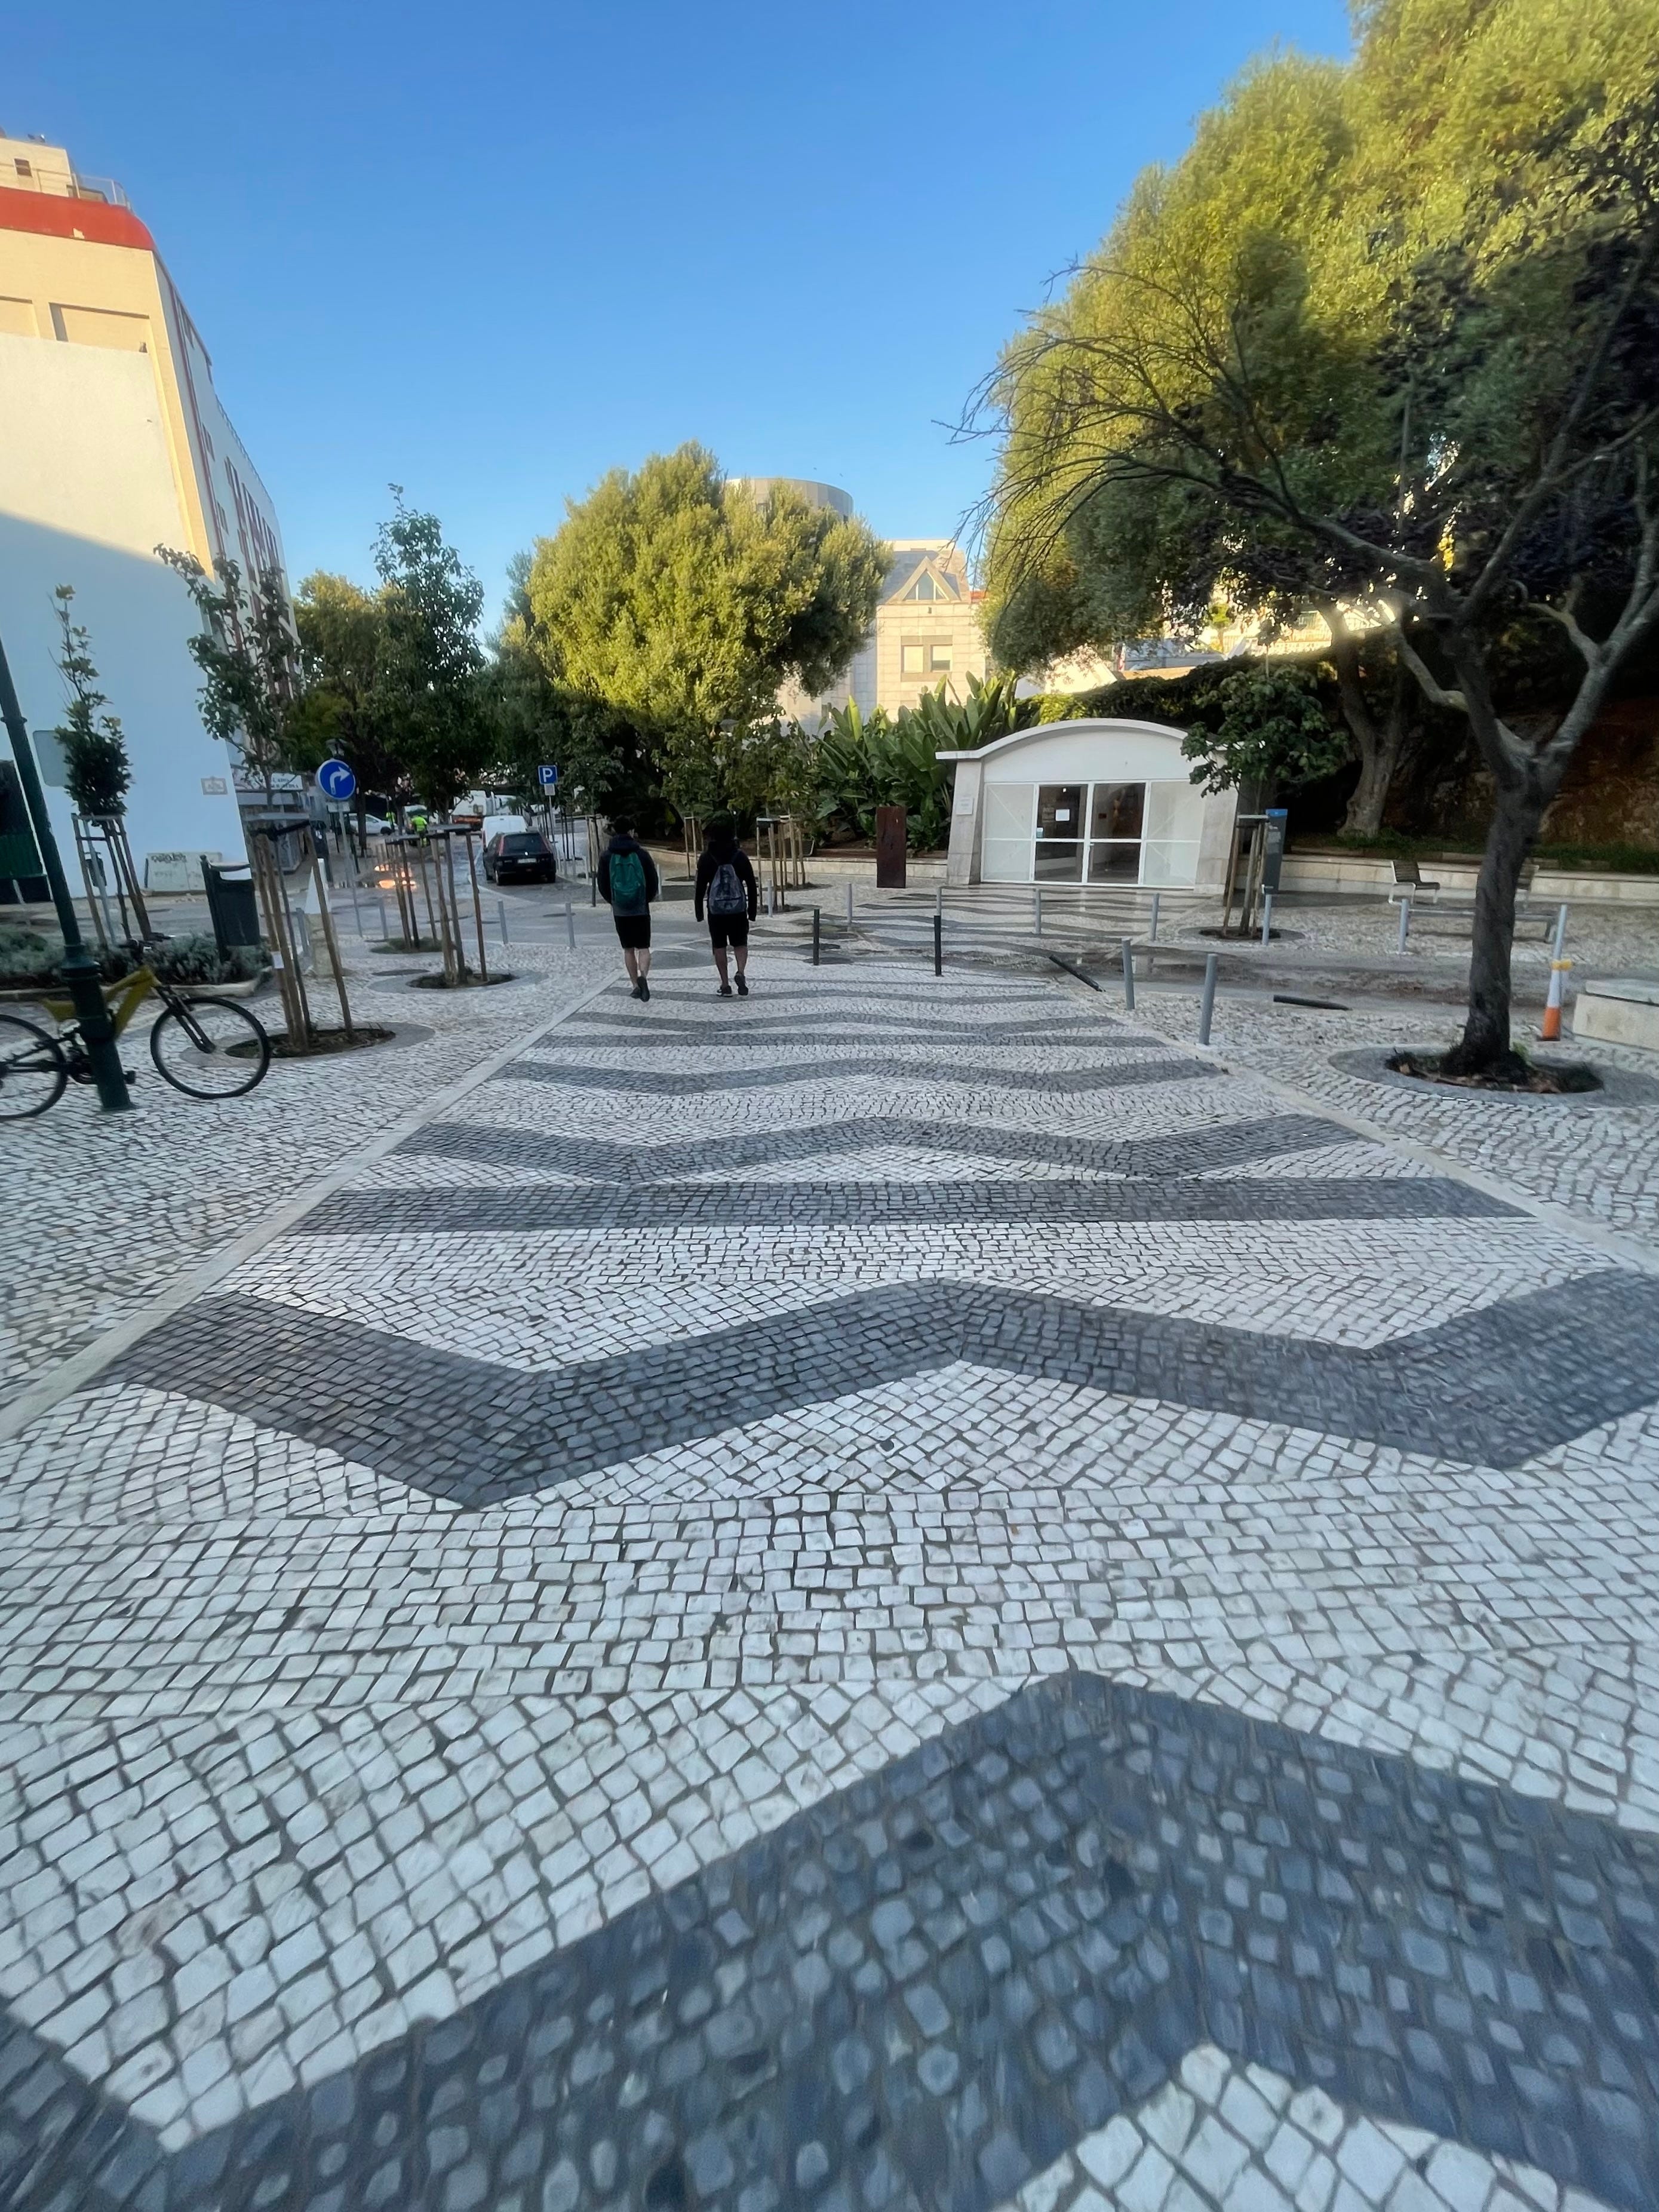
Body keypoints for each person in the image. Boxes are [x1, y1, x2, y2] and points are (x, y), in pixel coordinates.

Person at [694, 813, 759, 997]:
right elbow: (751, 884)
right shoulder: (740, 857)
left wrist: (699, 912)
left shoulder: (706, 858)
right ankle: (741, 972)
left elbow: (700, 887)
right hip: (738, 910)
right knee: (740, 943)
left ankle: (725, 985)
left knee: (719, 946)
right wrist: (752, 911)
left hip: (716, 912)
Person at [597, 817, 661, 1000]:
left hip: (620, 909)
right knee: (644, 947)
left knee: (628, 949)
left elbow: (602, 884)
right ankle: (644, 977)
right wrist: (645, 900)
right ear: (631, 831)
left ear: (615, 831)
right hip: (640, 908)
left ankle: (635, 985)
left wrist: (614, 901)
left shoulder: (607, 856)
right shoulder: (641, 854)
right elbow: (653, 881)